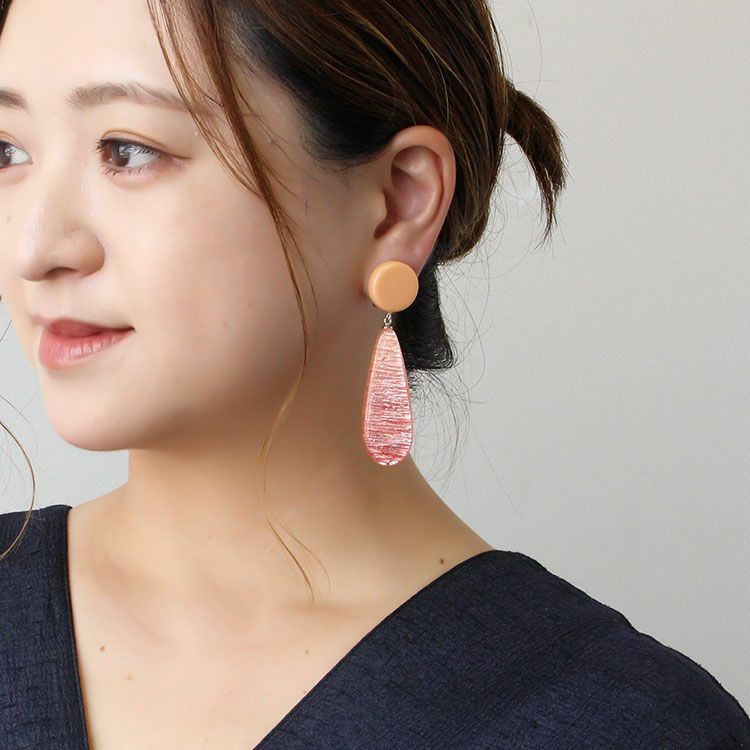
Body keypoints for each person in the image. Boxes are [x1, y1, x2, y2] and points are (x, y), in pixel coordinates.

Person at [0, 0, 747, 748]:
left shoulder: (623, 726)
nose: (35, 248)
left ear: (398, 204)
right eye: (8, 152)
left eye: (128, 150)